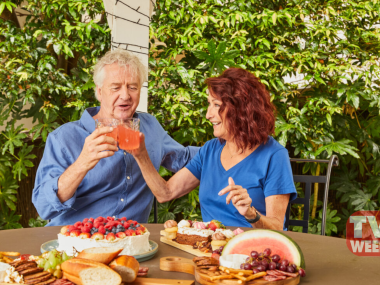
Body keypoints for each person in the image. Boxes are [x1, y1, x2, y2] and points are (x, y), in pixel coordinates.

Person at [32, 49, 198, 226]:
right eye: (116, 87)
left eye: (132, 87)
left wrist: (228, 144)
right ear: (99, 91)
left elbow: (185, 158)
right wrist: (82, 163)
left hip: (131, 246)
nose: (125, 95)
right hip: (77, 244)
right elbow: (43, 207)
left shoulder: (149, 127)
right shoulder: (64, 138)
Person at [130, 68, 297, 230]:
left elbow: (277, 227)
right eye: (209, 104)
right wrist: (141, 156)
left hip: (252, 252)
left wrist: (250, 213)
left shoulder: (274, 156)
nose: (208, 115)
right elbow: (165, 193)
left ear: (242, 109)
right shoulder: (210, 150)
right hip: (209, 250)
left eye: (216, 105)